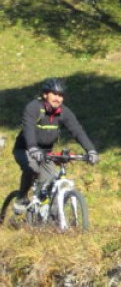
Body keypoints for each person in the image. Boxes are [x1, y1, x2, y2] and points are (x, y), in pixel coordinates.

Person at [12, 78, 99, 212]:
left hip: (46, 153)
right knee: (32, 168)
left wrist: (91, 150)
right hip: (25, 149)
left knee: (52, 181)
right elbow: (28, 129)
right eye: (54, 94)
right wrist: (33, 148)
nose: (58, 98)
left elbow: (77, 131)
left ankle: (49, 216)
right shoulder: (33, 108)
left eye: (61, 95)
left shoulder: (64, 112)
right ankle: (21, 197)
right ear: (45, 94)